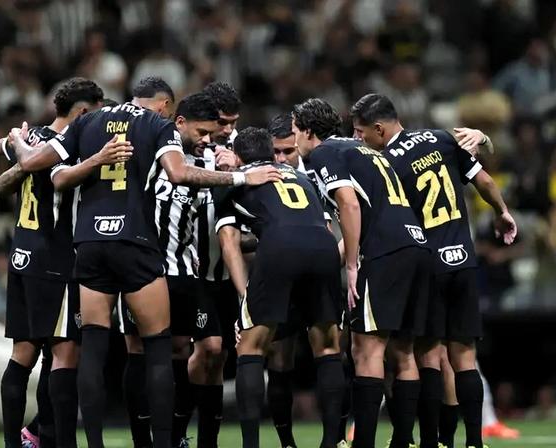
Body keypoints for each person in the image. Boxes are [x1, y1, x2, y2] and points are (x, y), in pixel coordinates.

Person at [7, 76, 282, 448]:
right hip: (135, 243)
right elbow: (179, 172)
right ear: (167, 107)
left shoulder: (89, 122)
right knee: (156, 349)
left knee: (92, 349)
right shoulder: (156, 125)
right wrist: (241, 175)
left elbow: (46, 171)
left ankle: (94, 444)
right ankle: (163, 443)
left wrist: (19, 141)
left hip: (89, 243)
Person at [350, 93, 517, 448]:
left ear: (379, 128)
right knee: (464, 356)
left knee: (423, 354)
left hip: (427, 263)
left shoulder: (387, 163)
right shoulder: (440, 139)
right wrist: (502, 212)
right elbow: (484, 179)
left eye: (360, 132)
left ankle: (432, 440)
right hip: (464, 259)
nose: (358, 139)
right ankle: (474, 442)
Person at [295, 98, 432, 448]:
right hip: (416, 246)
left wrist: (353, 265)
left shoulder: (324, 154)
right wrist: (337, 261)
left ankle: (364, 444)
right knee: (403, 352)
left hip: (383, 253)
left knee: (365, 350)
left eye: (295, 131)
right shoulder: (363, 150)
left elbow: (350, 204)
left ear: (309, 132)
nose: (294, 139)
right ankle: (404, 441)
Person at [0, 77, 104, 448]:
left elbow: (1, 149)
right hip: (54, 259)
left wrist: (16, 140)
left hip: (21, 255)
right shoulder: (69, 146)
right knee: (64, 351)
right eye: (97, 113)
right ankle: (56, 440)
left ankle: (19, 442)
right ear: (83, 112)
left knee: (23, 354)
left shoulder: (34, 137)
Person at [217, 127, 345, 448]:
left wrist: (245, 294)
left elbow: (229, 241)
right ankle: (332, 442)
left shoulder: (238, 178)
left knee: (251, 347)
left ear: (239, 154)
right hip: (325, 247)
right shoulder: (300, 176)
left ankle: (252, 445)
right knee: (328, 347)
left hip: (279, 250)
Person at [112, 92, 221, 448]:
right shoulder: (149, 154)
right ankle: (142, 439)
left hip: (184, 271)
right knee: (138, 350)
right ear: (179, 123)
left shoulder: (208, 164)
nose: (206, 139)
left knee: (178, 351)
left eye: (211, 133)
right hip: (141, 269)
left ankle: (173, 437)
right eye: (201, 131)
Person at [181, 81, 244, 448]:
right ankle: (177, 430)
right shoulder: (185, 150)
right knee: (208, 348)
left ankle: (208, 439)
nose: (227, 130)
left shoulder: (240, 151)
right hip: (192, 270)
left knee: (219, 358)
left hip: (225, 268)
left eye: (233, 122)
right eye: (222, 122)